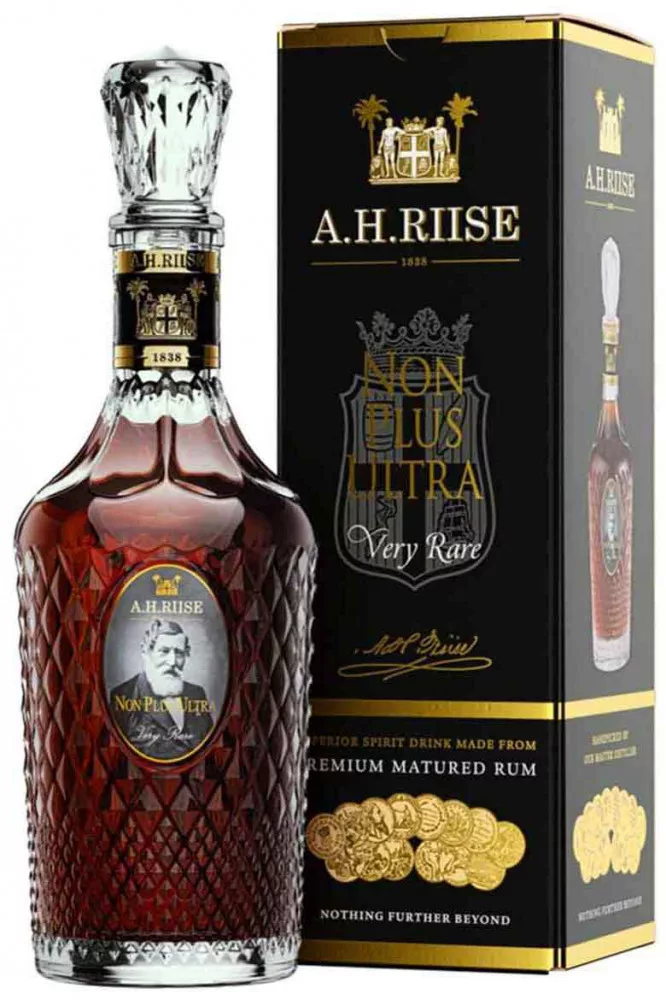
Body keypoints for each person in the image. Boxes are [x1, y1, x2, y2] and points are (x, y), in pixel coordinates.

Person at [110, 619, 214, 760]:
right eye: (164, 651)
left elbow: (209, 749)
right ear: (146, 652)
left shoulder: (197, 694)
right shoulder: (125, 695)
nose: (172, 662)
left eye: (179, 653)